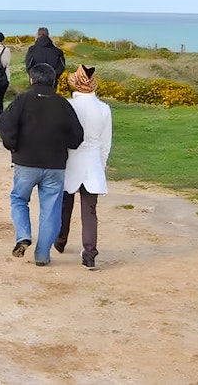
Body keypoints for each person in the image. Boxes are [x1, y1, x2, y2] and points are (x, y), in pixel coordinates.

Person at [0, 63, 84, 266]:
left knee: (19, 199)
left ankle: (23, 236)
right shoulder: (63, 104)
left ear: (32, 79)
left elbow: (5, 125)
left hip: (26, 162)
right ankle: (42, 256)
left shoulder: (23, 100)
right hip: (55, 165)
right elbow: (77, 137)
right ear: (53, 81)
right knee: (51, 210)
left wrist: (13, 146)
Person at [55, 65, 112, 269]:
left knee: (64, 205)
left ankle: (60, 240)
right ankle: (89, 252)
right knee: (89, 211)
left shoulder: (68, 105)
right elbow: (106, 143)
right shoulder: (104, 109)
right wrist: (101, 165)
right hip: (93, 161)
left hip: (71, 160)